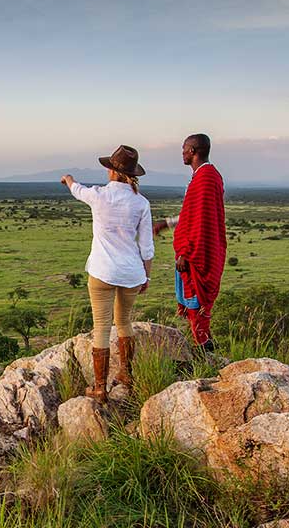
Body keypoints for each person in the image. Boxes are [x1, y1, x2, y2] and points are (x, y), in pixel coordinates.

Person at [60, 144, 154, 403]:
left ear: (111, 171)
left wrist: (68, 179)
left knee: (101, 328)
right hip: (131, 273)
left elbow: (77, 190)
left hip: (102, 271)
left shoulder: (99, 195)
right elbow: (147, 246)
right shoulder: (141, 203)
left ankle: (100, 388)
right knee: (123, 322)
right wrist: (146, 276)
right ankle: (126, 374)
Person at [153, 134, 226, 351]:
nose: (182, 153)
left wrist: (186, 251)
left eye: (184, 148)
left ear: (193, 151)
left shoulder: (204, 178)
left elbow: (200, 220)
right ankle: (204, 345)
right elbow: (191, 214)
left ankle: (204, 351)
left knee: (196, 303)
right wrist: (167, 223)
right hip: (199, 248)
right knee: (194, 305)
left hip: (196, 252)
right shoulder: (207, 176)